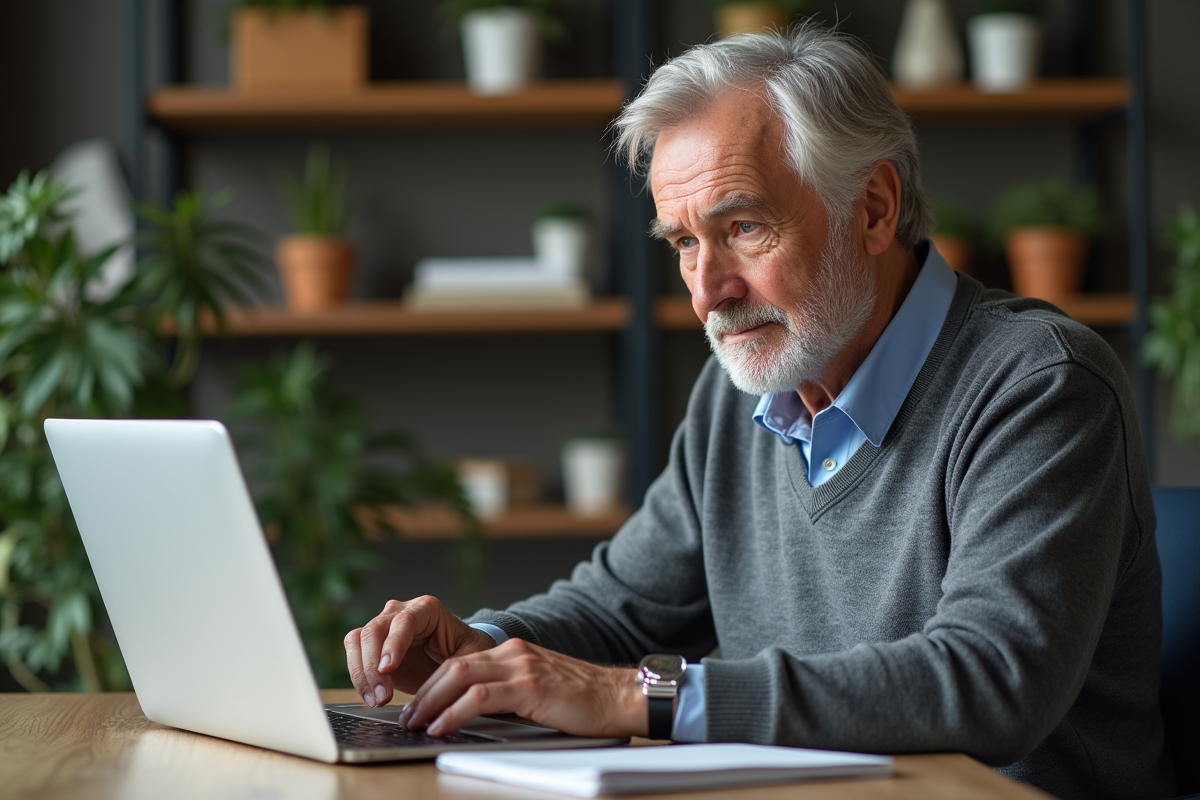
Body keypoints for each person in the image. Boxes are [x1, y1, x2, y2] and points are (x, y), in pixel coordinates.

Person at [344, 25, 1171, 799]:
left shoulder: (1040, 384)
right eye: (684, 243)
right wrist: (481, 649)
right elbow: (617, 610)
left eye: (742, 227)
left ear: (873, 208)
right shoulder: (738, 393)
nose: (708, 292)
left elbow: (990, 680)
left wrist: (640, 695)